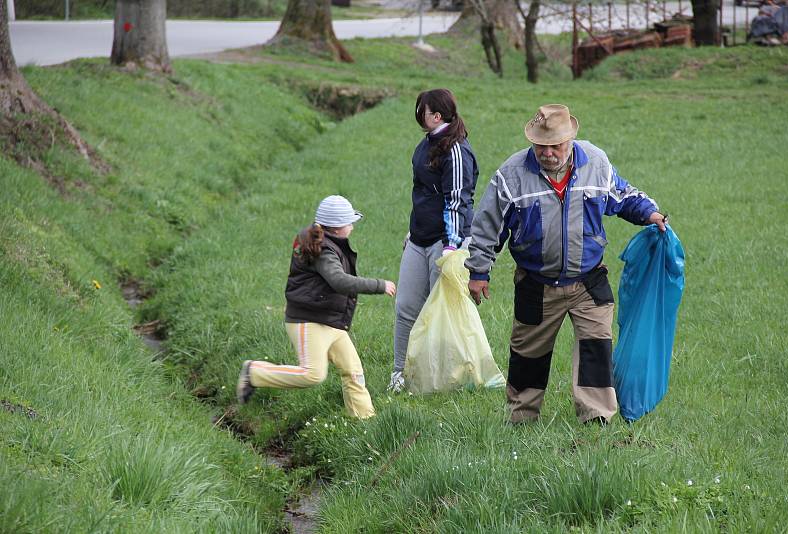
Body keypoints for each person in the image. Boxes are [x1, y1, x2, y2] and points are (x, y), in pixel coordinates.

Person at [465, 104, 667, 425]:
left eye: (554, 145)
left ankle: (596, 419)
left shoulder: (595, 163)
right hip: (536, 282)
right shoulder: (512, 175)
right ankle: (521, 419)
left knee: (595, 348)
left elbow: (621, 195)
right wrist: (478, 271)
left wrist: (649, 212)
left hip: (588, 280)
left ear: (570, 140)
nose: (547, 152)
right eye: (540, 146)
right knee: (527, 355)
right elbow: (488, 225)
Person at [237, 195, 396, 419]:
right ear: (337, 227)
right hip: (309, 320)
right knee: (313, 374)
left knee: (353, 371)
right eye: (349, 222)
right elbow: (339, 281)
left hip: (331, 319)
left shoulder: (325, 240)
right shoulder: (323, 250)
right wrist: (380, 285)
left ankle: (364, 420)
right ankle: (254, 372)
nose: (352, 226)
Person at [388, 88, 479, 393]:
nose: (418, 114)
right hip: (419, 238)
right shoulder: (426, 144)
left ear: (436, 116)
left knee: (441, 312)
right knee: (405, 307)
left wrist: (452, 248)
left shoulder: (455, 151)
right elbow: (421, 195)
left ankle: (446, 380)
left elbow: (456, 201)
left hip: (446, 243)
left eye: (421, 110)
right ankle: (400, 375)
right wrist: (412, 232)